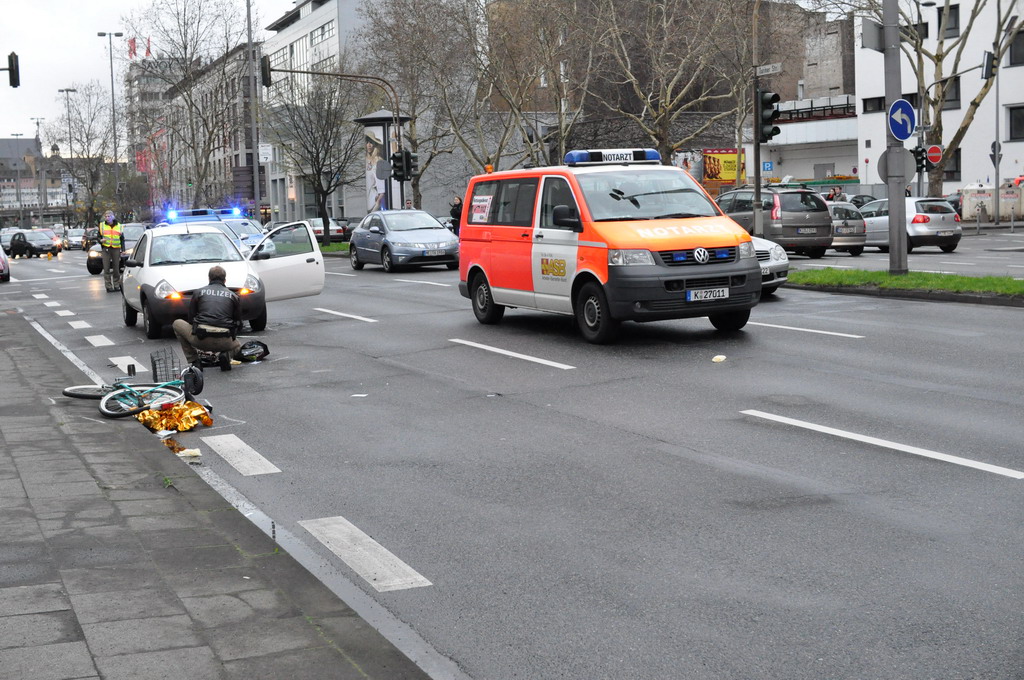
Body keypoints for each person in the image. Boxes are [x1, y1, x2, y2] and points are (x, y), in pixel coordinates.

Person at [172, 266, 242, 372]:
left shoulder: (198, 293)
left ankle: (194, 360)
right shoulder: (234, 296)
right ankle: (226, 355)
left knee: (177, 323)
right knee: (238, 346)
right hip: (225, 341)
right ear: (225, 280)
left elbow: (191, 318)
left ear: (209, 279)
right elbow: (238, 323)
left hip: (201, 339)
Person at [98, 210, 123, 292]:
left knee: (116, 268)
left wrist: (122, 249)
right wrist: (100, 240)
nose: (107, 218)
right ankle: (108, 286)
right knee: (106, 268)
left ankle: (116, 285)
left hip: (116, 248)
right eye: (106, 216)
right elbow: (98, 237)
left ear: (113, 217)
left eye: (109, 216)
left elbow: (122, 238)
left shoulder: (119, 225)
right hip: (106, 248)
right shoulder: (102, 225)